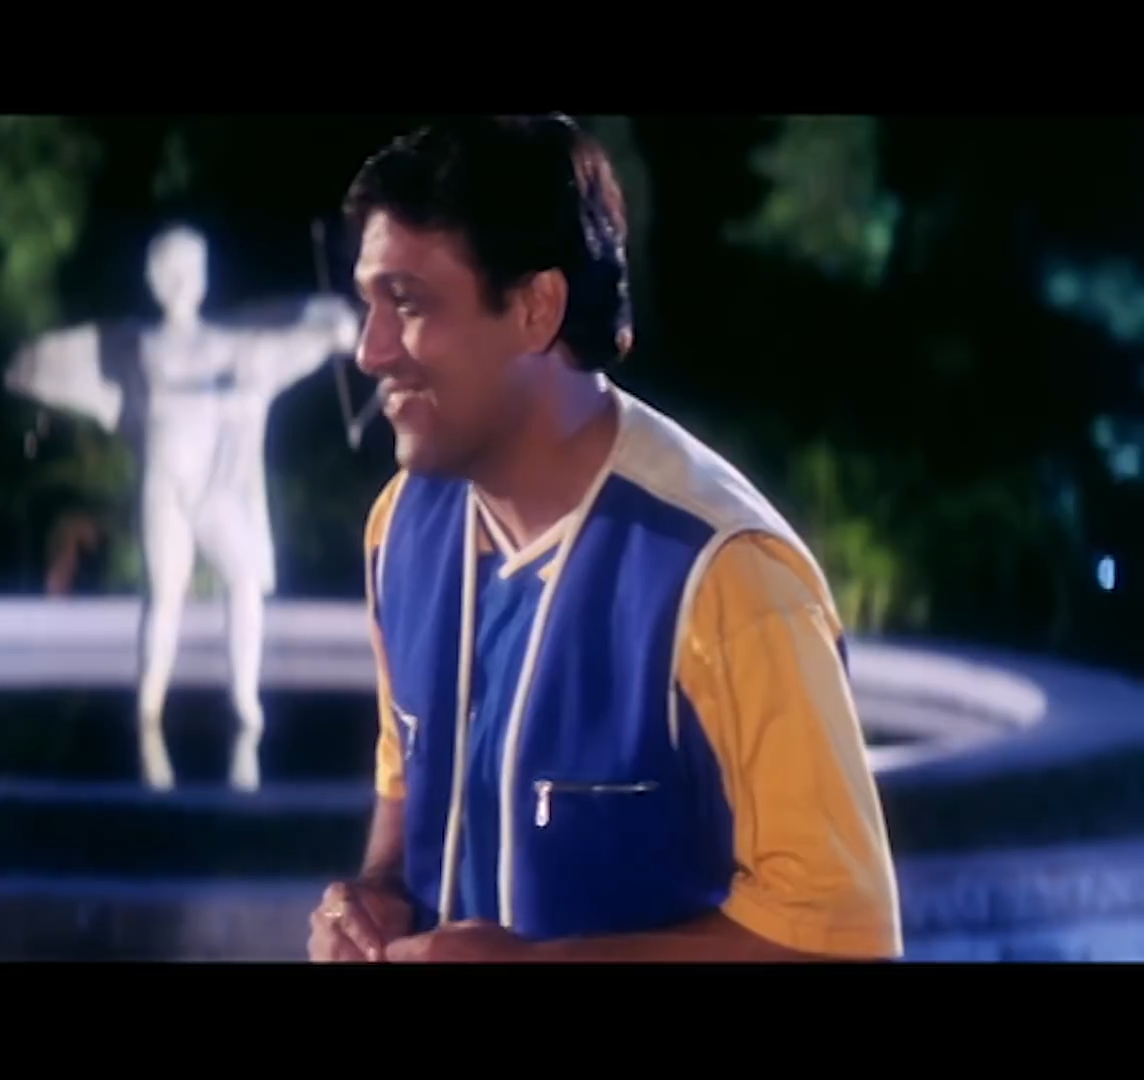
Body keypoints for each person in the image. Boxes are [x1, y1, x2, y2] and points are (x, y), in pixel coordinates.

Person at [307, 116, 902, 962]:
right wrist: (376, 896)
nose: (369, 352)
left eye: (407, 304)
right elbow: (405, 779)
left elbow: (845, 938)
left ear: (536, 307)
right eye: (367, 304)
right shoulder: (400, 528)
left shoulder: (728, 580)